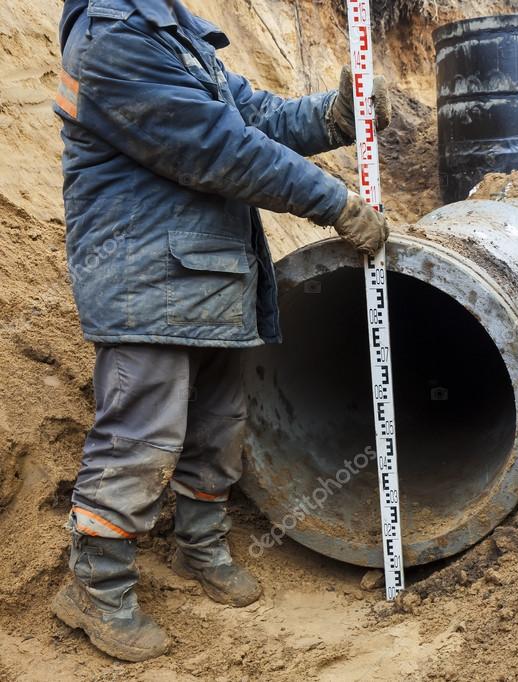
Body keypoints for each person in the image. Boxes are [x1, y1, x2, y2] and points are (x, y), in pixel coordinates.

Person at [51, 0, 390, 662]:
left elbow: (253, 116)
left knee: (219, 427)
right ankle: (97, 588)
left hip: (210, 274)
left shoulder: (169, 32)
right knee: (139, 438)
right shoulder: (111, 37)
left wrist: (334, 115)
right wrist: (335, 204)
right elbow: (218, 147)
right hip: (144, 278)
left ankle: (198, 547)